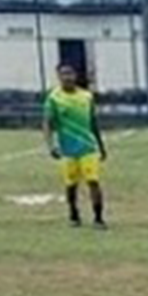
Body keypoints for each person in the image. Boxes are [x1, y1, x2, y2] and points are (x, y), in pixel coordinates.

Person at [42, 63, 108, 229]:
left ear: (75, 75)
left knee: (93, 181)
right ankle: (73, 212)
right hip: (68, 149)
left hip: (88, 147)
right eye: (63, 74)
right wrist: (51, 146)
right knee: (71, 184)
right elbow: (47, 124)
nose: (67, 77)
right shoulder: (54, 98)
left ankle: (98, 218)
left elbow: (93, 122)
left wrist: (101, 145)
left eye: (70, 73)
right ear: (58, 77)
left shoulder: (86, 96)